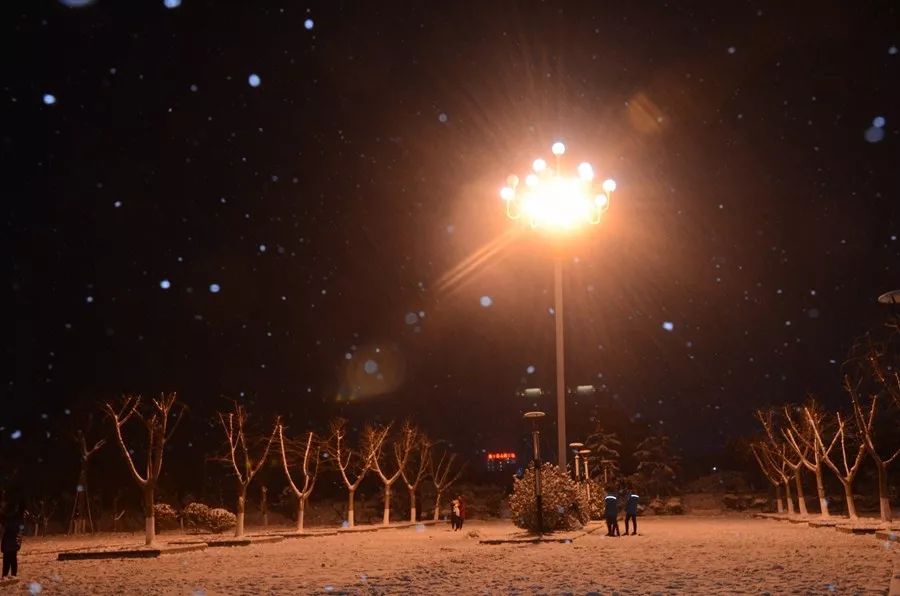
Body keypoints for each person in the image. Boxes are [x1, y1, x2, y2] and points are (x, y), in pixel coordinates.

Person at [1, 502, 25, 578]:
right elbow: (21, 530)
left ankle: (5, 576)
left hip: (8, 542)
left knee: (6, 561)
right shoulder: (20, 519)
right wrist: (18, 543)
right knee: (13, 559)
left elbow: (5, 522)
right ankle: (13, 575)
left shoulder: (8, 518)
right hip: (14, 542)